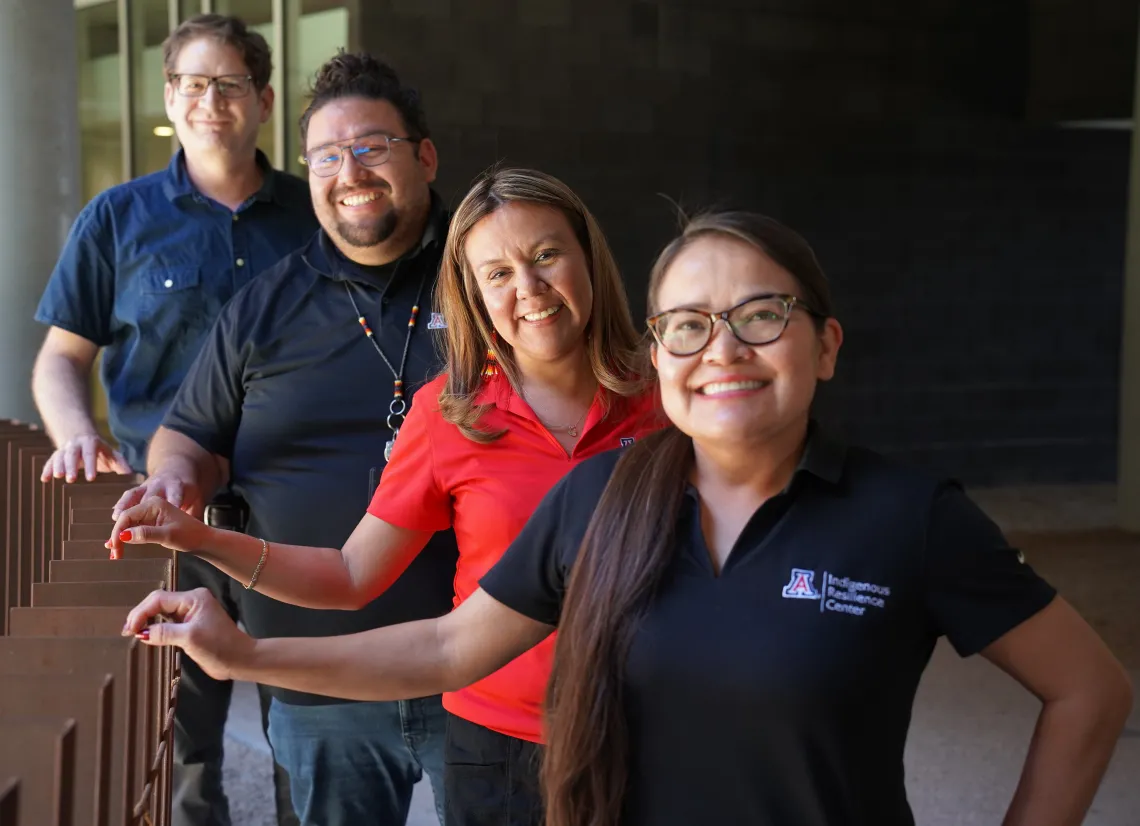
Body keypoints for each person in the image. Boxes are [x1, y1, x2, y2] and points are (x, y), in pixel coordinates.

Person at [118, 209, 1133, 826]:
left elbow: (1089, 691)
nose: (723, 348)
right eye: (689, 324)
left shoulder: (909, 517)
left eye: (761, 315)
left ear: (825, 344)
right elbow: (439, 647)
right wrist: (244, 652)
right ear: (659, 354)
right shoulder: (601, 499)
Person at [109, 166, 665, 826]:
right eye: (498, 273)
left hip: (655, 731)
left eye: (547, 255)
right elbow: (350, 575)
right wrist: (198, 537)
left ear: (589, 259)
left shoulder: (670, 397)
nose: (530, 289)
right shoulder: (450, 414)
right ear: (473, 295)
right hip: (501, 747)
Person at [107, 50, 460, 826]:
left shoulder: (487, 282)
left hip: (481, 658)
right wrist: (175, 480)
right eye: (328, 156)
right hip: (312, 668)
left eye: (372, 147)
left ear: (424, 156)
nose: (350, 171)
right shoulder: (265, 306)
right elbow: (188, 435)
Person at [31, 13, 317, 826]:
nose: (209, 100)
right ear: (168, 96)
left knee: (302, 719)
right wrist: (75, 432)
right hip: (164, 514)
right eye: (193, 83)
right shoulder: (116, 220)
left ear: (262, 100)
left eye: (229, 84)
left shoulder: (314, 219)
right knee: (177, 731)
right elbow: (59, 360)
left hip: (294, 515)